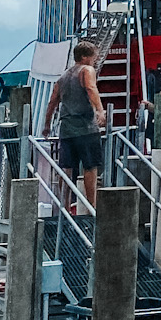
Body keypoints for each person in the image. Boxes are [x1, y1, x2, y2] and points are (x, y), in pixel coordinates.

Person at [43, 40, 105, 210]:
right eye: (93, 57)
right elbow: (91, 88)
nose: (95, 60)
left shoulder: (63, 76)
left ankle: (64, 204)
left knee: (67, 167)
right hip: (86, 127)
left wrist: (47, 124)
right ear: (85, 57)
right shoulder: (86, 70)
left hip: (67, 129)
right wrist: (100, 110)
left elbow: (52, 102)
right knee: (90, 166)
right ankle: (91, 204)